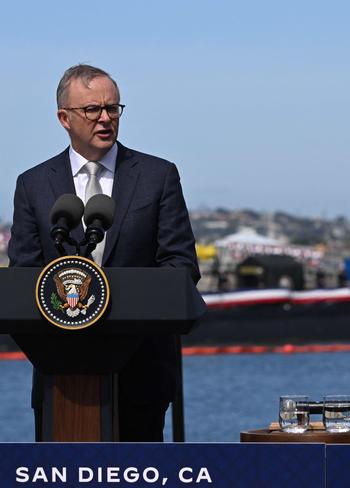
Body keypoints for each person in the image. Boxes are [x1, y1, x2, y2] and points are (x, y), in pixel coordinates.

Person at [8, 64, 200, 441]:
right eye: (92, 109)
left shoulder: (157, 176)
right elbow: (24, 279)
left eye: (113, 108)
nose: (105, 118)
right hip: (60, 379)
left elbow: (181, 266)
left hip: (141, 373)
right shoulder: (33, 185)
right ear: (64, 118)